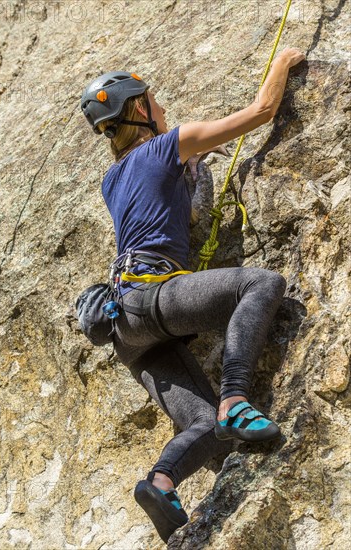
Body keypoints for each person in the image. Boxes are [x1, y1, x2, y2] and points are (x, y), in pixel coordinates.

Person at [79, 47, 305, 543]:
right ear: (139, 109)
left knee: (208, 431)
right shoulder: (165, 147)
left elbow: (172, 212)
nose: (162, 109)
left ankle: (160, 483)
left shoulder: (111, 179)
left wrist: (194, 168)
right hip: (154, 297)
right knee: (261, 283)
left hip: (125, 326)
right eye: (154, 102)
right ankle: (237, 400)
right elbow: (260, 113)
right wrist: (283, 63)